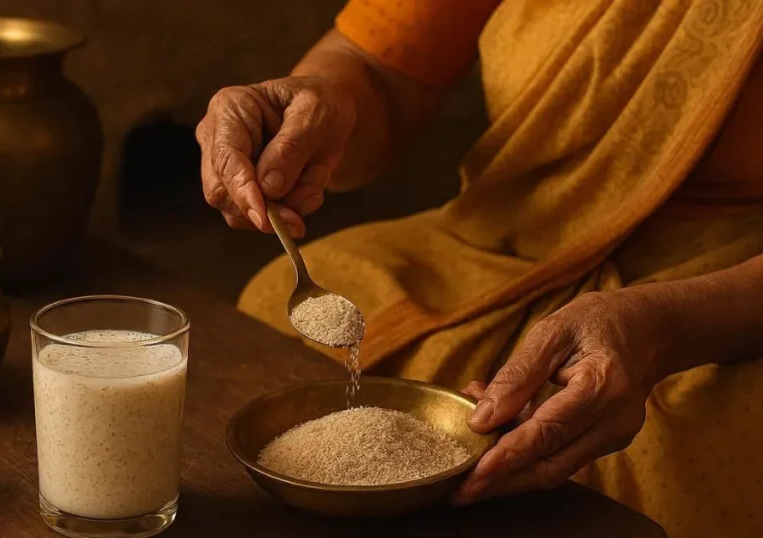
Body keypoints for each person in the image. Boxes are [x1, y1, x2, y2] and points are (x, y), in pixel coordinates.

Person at [195, 1, 763, 537]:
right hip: (510, 230)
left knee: (659, 452)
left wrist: (665, 327)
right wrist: (317, 105)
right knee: (273, 302)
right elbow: (378, 70)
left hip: (722, 285)